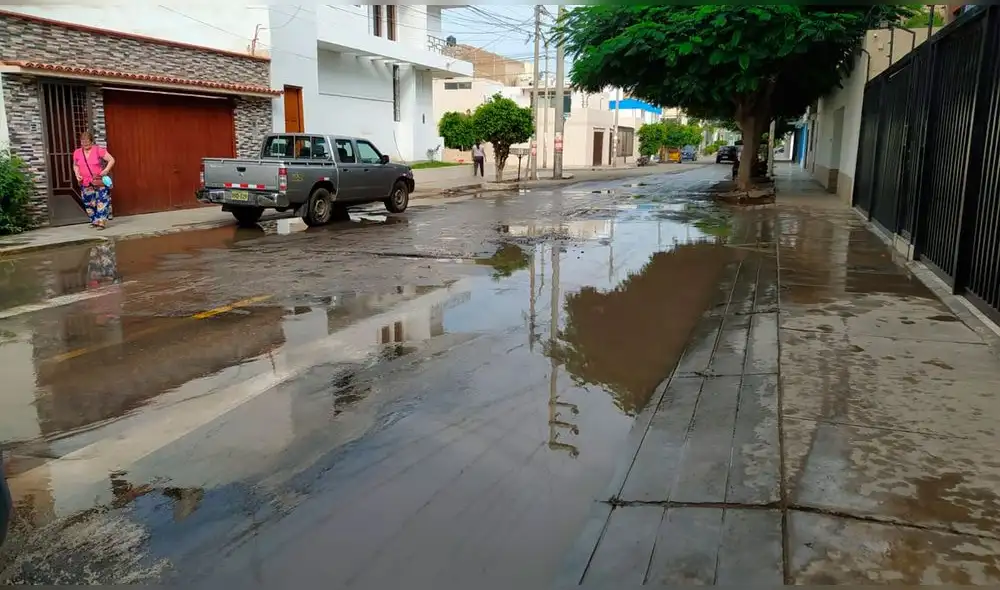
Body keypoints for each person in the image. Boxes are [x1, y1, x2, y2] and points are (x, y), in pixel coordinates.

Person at [73, 131, 116, 230]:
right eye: (83, 143)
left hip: (98, 180)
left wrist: (106, 170)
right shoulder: (77, 152)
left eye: (87, 142)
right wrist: (77, 174)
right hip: (85, 181)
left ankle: (101, 222)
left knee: (102, 200)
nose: (85, 145)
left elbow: (111, 159)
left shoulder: (98, 150)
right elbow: (75, 165)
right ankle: (94, 220)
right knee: (89, 202)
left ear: (92, 142)